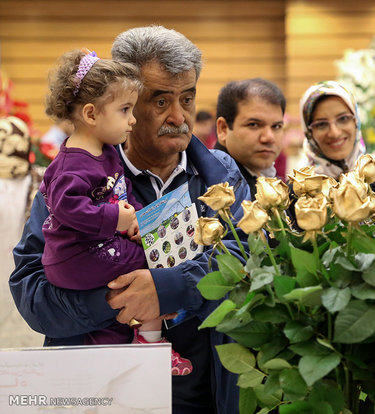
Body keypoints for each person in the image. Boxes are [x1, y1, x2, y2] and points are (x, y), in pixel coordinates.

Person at [10, 25, 250, 413]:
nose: (179, 116)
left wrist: (169, 287)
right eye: (160, 102)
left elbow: (247, 264)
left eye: (187, 99)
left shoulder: (221, 175)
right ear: (124, 101)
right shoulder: (73, 179)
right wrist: (115, 299)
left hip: (203, 392)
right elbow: (30, 292)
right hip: (99, 394)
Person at [39, 48, 192, 375]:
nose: (132, 120)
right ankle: (151, 342)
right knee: (154, 265)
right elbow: (69, 209)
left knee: (147, 262)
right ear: (92, 114)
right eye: (125, 110)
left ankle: (113, 352)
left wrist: (135, 219)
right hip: (74, 257)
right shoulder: (72, 164)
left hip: (92, 248)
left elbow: (117, 195)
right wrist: (117, 220)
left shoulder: (106, 152)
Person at [299, 80, 375, 188]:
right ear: (309, 133)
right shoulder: (298, 189)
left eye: (343, 119)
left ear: (356, 121)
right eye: (321, 124)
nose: (334, 133)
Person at [215, 78, 285, 199]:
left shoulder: (263, 180)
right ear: (223, 129)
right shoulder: (220, 196)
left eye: (276, 126)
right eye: (254, 125)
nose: (269, 137)